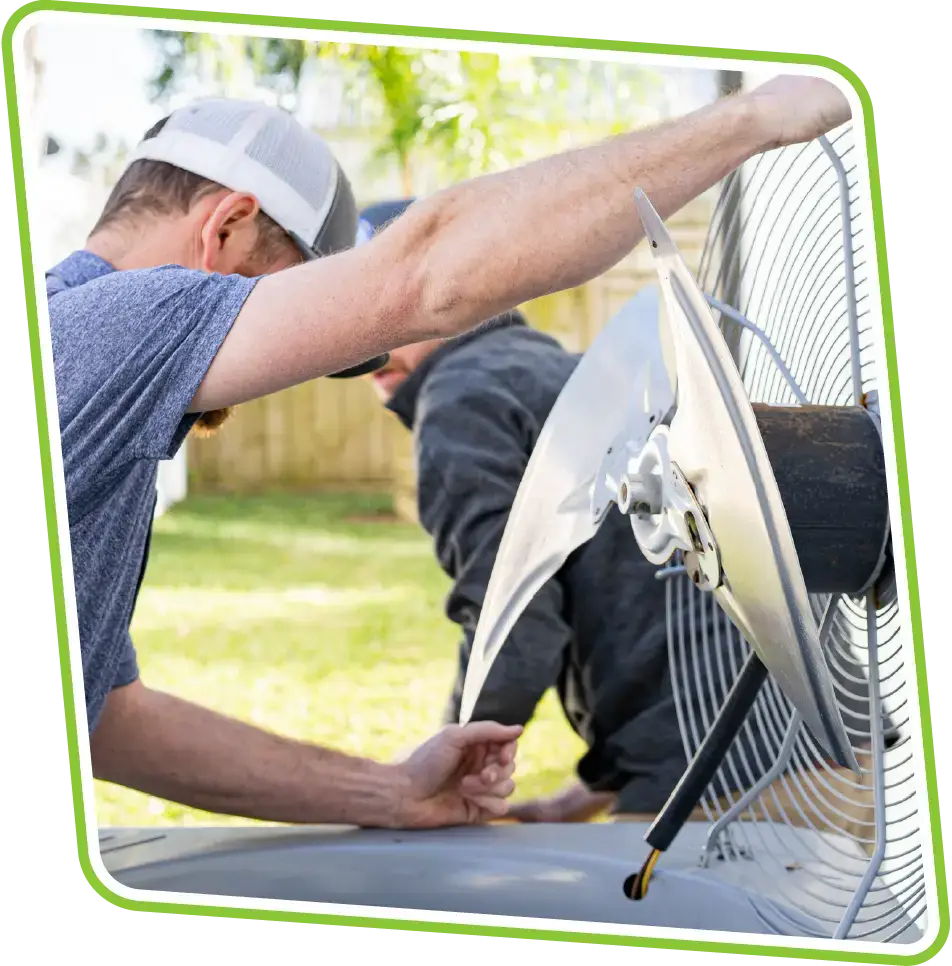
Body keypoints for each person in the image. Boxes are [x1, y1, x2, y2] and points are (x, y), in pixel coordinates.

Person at [47, 78, 852, 830]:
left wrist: (391, 791)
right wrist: (750, 118)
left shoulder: (83, 369)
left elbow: (107, 719)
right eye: (277, 301)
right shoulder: (112, 325)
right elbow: (425, 277)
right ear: (223, 228)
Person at [364, 197, 887, 839]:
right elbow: (655, 592)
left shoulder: (461, 401)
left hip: (725, 782)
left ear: (452, 295)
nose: (362, 353)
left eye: (380, 312)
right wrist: (583, 796)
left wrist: (435, 777)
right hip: (840, 747)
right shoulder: (571, 372)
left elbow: (513, 625)